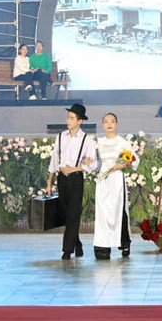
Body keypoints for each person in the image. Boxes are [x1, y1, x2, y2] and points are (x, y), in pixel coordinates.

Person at [46, 103, 97, 260]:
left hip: (75, 179)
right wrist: (49, 182)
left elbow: (93, 164)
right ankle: (77, 244)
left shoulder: (86, 139)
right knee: (66, 214)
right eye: (68, 117)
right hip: (62, 179)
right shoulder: (61, 136)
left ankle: (67, 250)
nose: (68, 120)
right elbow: (55, 159)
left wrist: (74, 169)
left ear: (80, 121)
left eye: (72, 118)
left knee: (73, 214)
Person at [93, 113, 140, 260]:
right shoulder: (99, 142)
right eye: (106, 121)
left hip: (116, 179)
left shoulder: (122, 142)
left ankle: (124, 242)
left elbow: (134, 159)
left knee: (118, 211)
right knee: (102, 213)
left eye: (112, 121)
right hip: (103, 179)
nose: (109, 124)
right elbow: (95, 162)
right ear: (102, 124)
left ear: (116, 124)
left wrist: (122, 164)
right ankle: (102, 246)